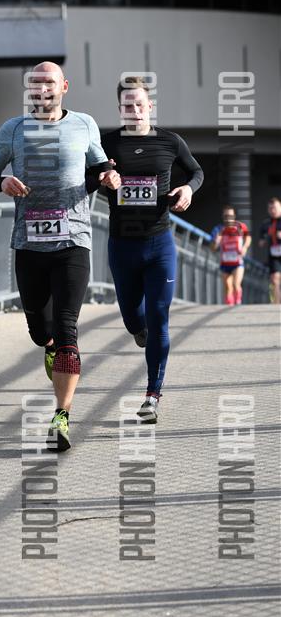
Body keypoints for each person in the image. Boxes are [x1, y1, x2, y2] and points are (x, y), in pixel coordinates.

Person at [0, 61, 120, 450]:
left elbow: (100, 168)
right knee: (42, 331)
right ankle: (50, 345)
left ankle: (61, 415)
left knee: (68, 327)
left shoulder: (84, 125)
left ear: (64, 87)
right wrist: (2, 181)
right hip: (29, 244)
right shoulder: (13, 129)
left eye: (49, 82)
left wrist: (109, 177)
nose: (42, 88)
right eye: (35, 82)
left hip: (74, 240)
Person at [95, 75, 203, 424]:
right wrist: (102, 179)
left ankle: (152, 395)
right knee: (133, 318)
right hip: (122, 246)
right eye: (128, 105)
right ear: (120, 109)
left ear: (150, 106)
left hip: (160, 244)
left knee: (159, 317)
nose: (135, 110)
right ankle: (137, 328)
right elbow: (86, 178)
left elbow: (197, 172)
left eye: (140, 104)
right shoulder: (106, 143)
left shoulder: (170, 141)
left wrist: (187, 190)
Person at [210, 206, 251, 305]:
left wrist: (245, 247)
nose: (228, 218)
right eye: (226, 216)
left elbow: (248, 237)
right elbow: (213, 248)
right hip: (225, 262)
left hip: (237, 262)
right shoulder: (218, 229)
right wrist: (216, 242)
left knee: (236, 284)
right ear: (223, 217)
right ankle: (229, 306)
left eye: (230, 216)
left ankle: (237, 303)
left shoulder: (241, 226)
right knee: (228, 286)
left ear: (234, 216)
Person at [259, 196, 281, 304]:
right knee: (275, 279)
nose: (273, 210)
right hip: (274, 255)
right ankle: (277, 305)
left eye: (275, 208)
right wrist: (263, 240)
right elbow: (261, 241)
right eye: (270, 208)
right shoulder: (266, 224)